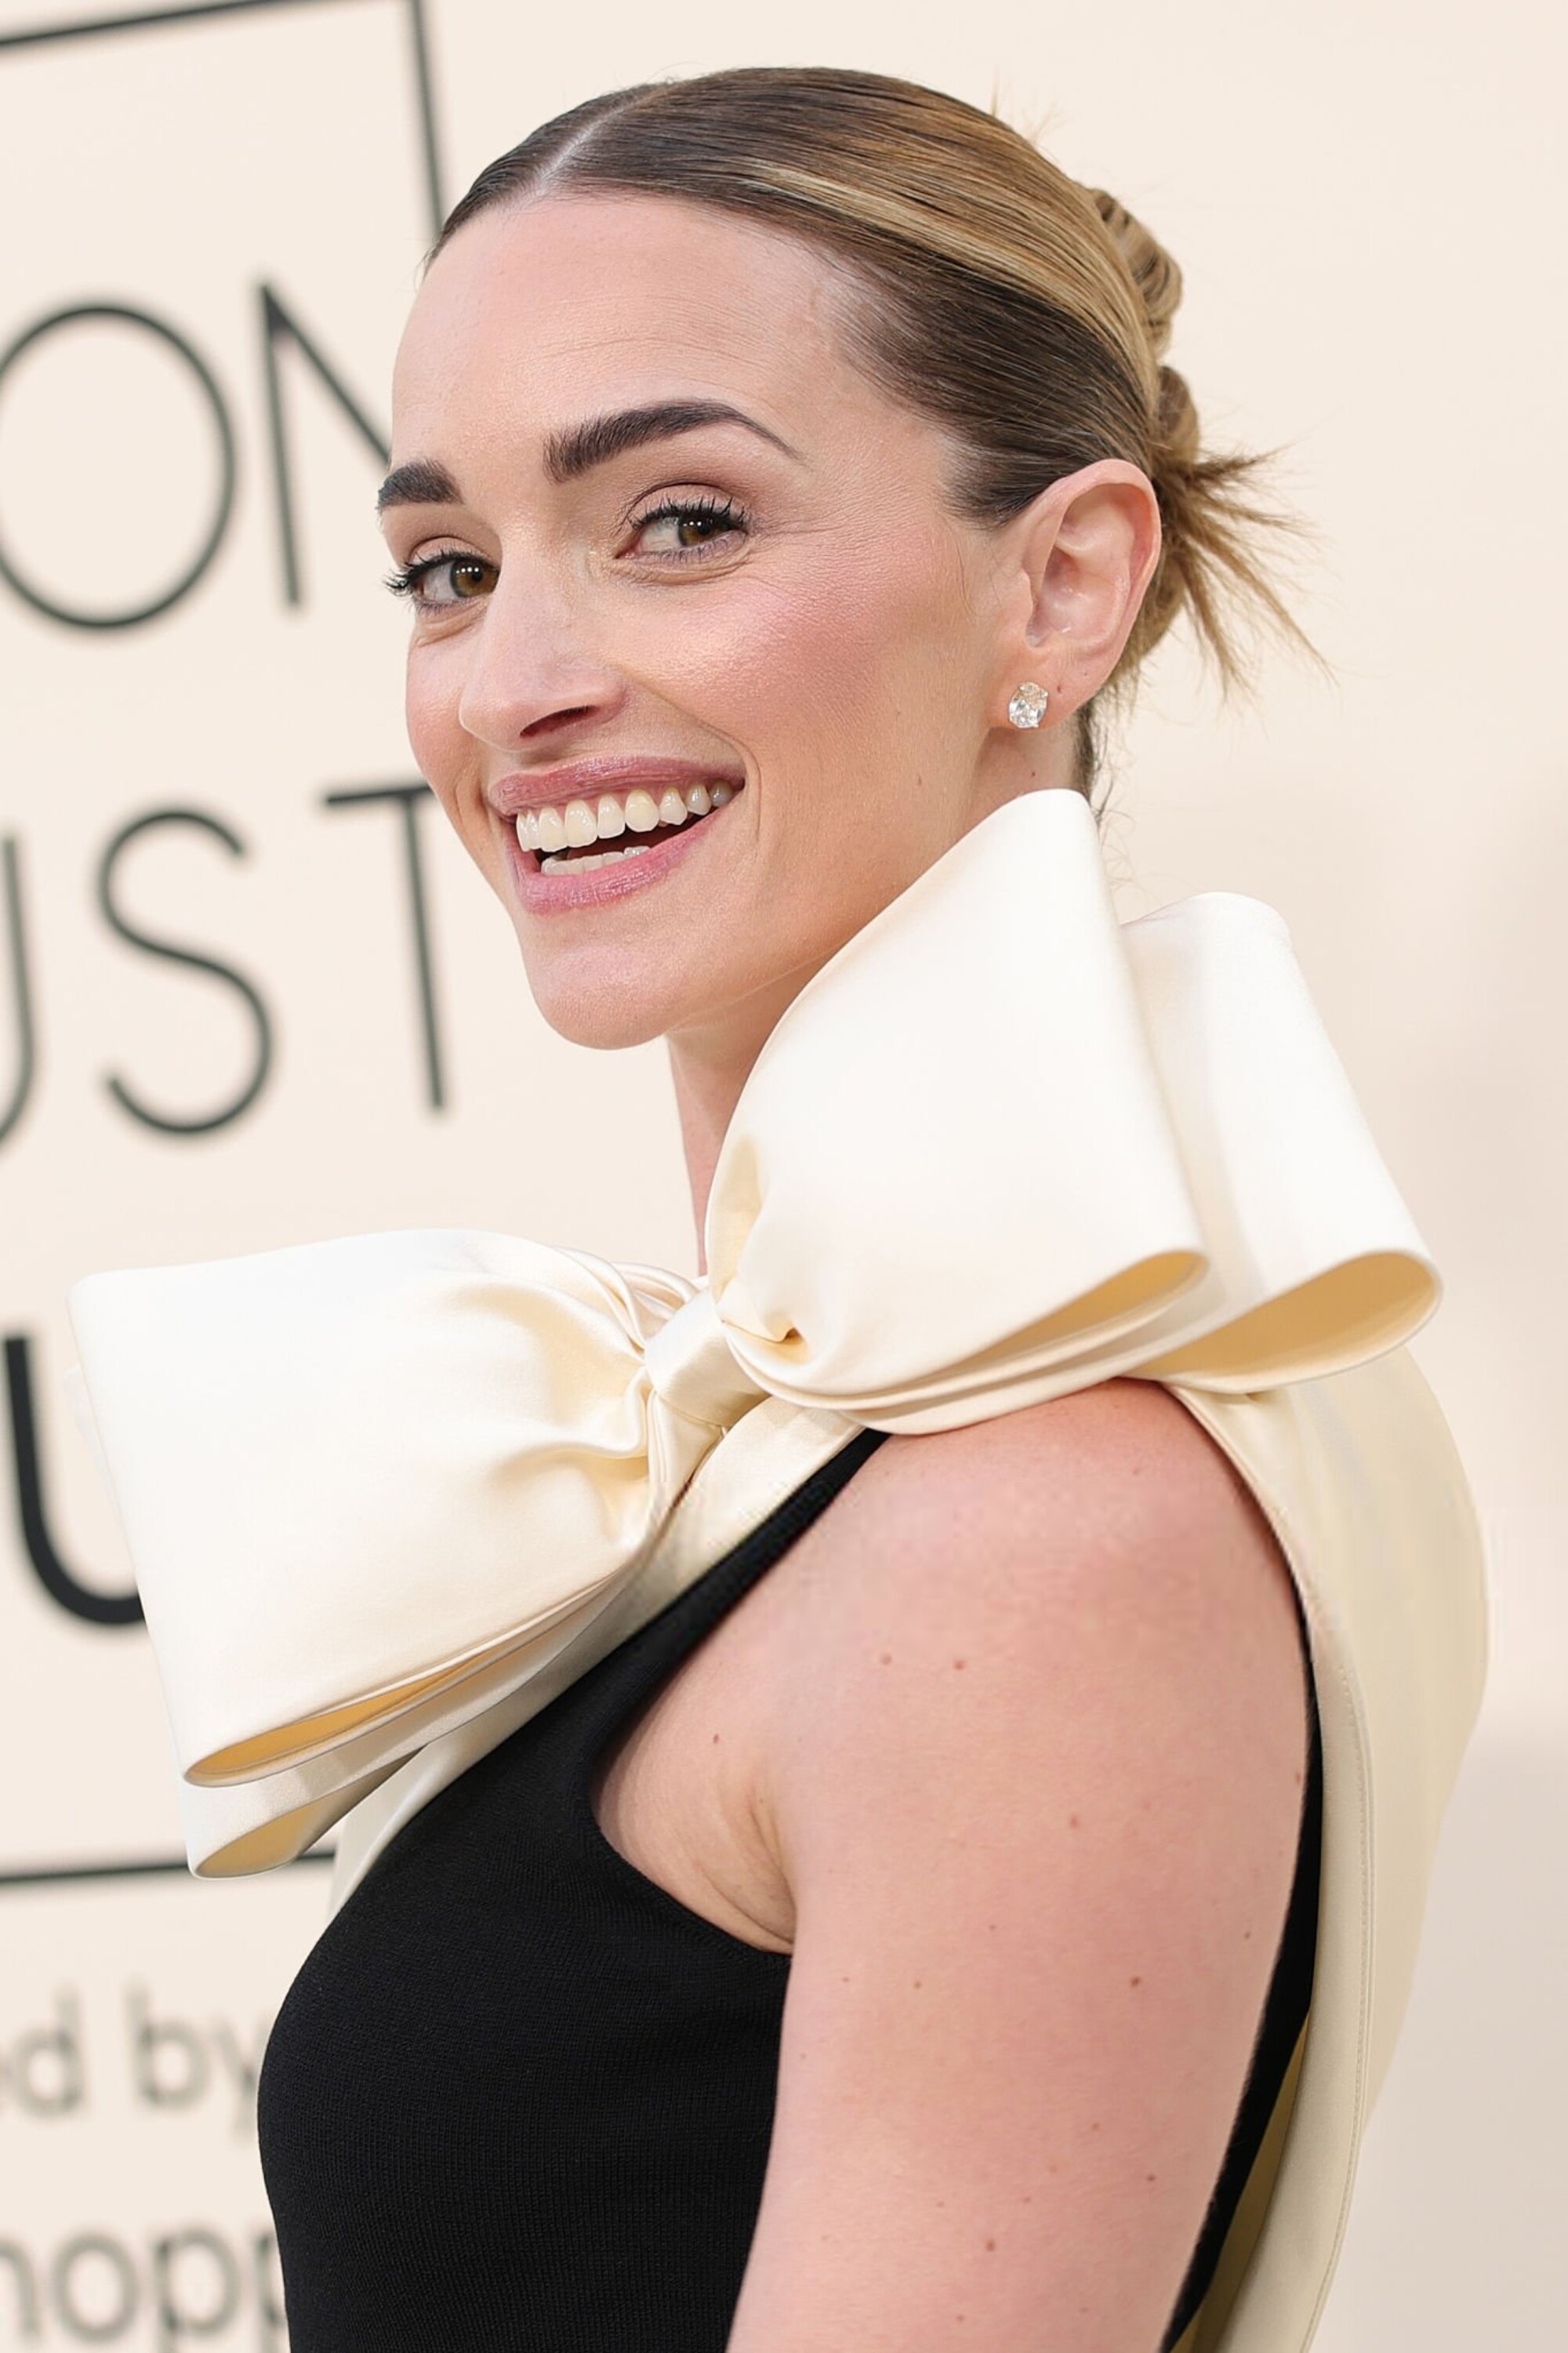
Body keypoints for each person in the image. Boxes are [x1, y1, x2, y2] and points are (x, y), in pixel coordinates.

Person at [67, 66, 1488, 2353]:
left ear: (1064, 582)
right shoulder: (842, 1462)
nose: (515, 687)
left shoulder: (1041, 1528)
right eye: (450, 571)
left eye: (681, 522)